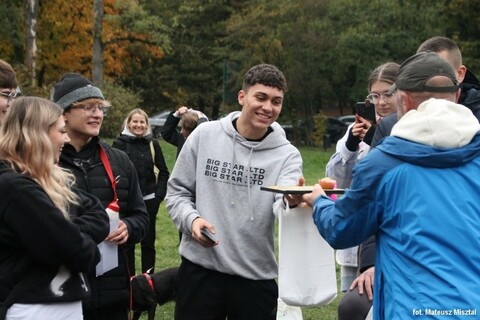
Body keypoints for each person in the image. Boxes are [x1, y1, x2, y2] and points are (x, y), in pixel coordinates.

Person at [303, 52, 480, 320]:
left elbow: (342, 229)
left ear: (405, 101)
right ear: (456, 97)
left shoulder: (382, 165)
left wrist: (318, 201)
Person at [165, 64, 303, 320]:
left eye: (276, 101)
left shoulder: (287, 155)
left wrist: (290, 201)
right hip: (200, 271)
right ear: (242, 97)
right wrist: (192, 221)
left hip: (255, 277)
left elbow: (282, 202)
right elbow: (176, 192)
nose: (268, 107)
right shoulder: (204, 136)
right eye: (260, 97)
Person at [0, 97, 109, 320]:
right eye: (61, 131)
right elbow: (78, 252)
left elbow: (98, 214)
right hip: (33, 308)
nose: (66, 138)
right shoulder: (16, 188)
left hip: (62, 304)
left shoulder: (51, 180)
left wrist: (65, 230)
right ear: (38, 134)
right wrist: (75, 240)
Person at [53, 73, 149, 320]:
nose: (97, 114)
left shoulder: (119, 160)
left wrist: (129, 227)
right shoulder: (45, 163)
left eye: (100, 107)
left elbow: (141, 216)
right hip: (62, 293)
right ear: (63, 112)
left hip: (113, 295)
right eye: (87, 107)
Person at [325, 62, 399, 320]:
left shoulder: (405, 131)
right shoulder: (354, 130)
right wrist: (350, 146)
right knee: (354, 300)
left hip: (387, 238)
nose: (380, 102)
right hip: (355, 233)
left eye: (388, 94)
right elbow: (335, 183)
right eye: (374, 95)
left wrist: (375, 141)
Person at [371, 36, 480, 148]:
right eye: (421, 70)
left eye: (440, 69)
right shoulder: (390, 124)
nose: (428, 77)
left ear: (460, 73)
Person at [112, 108, 169, 274]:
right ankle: (129, 281)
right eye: (135, 121)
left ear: (147, 124)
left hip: (149, 200)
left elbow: (164, 171)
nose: (138, 125)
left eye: (142, 122)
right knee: (127, 243)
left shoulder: (153, 144)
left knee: (148, 243)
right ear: (128, 123)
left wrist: (158, 197)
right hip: (127, 202)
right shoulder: (119, 144)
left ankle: (148, 280)